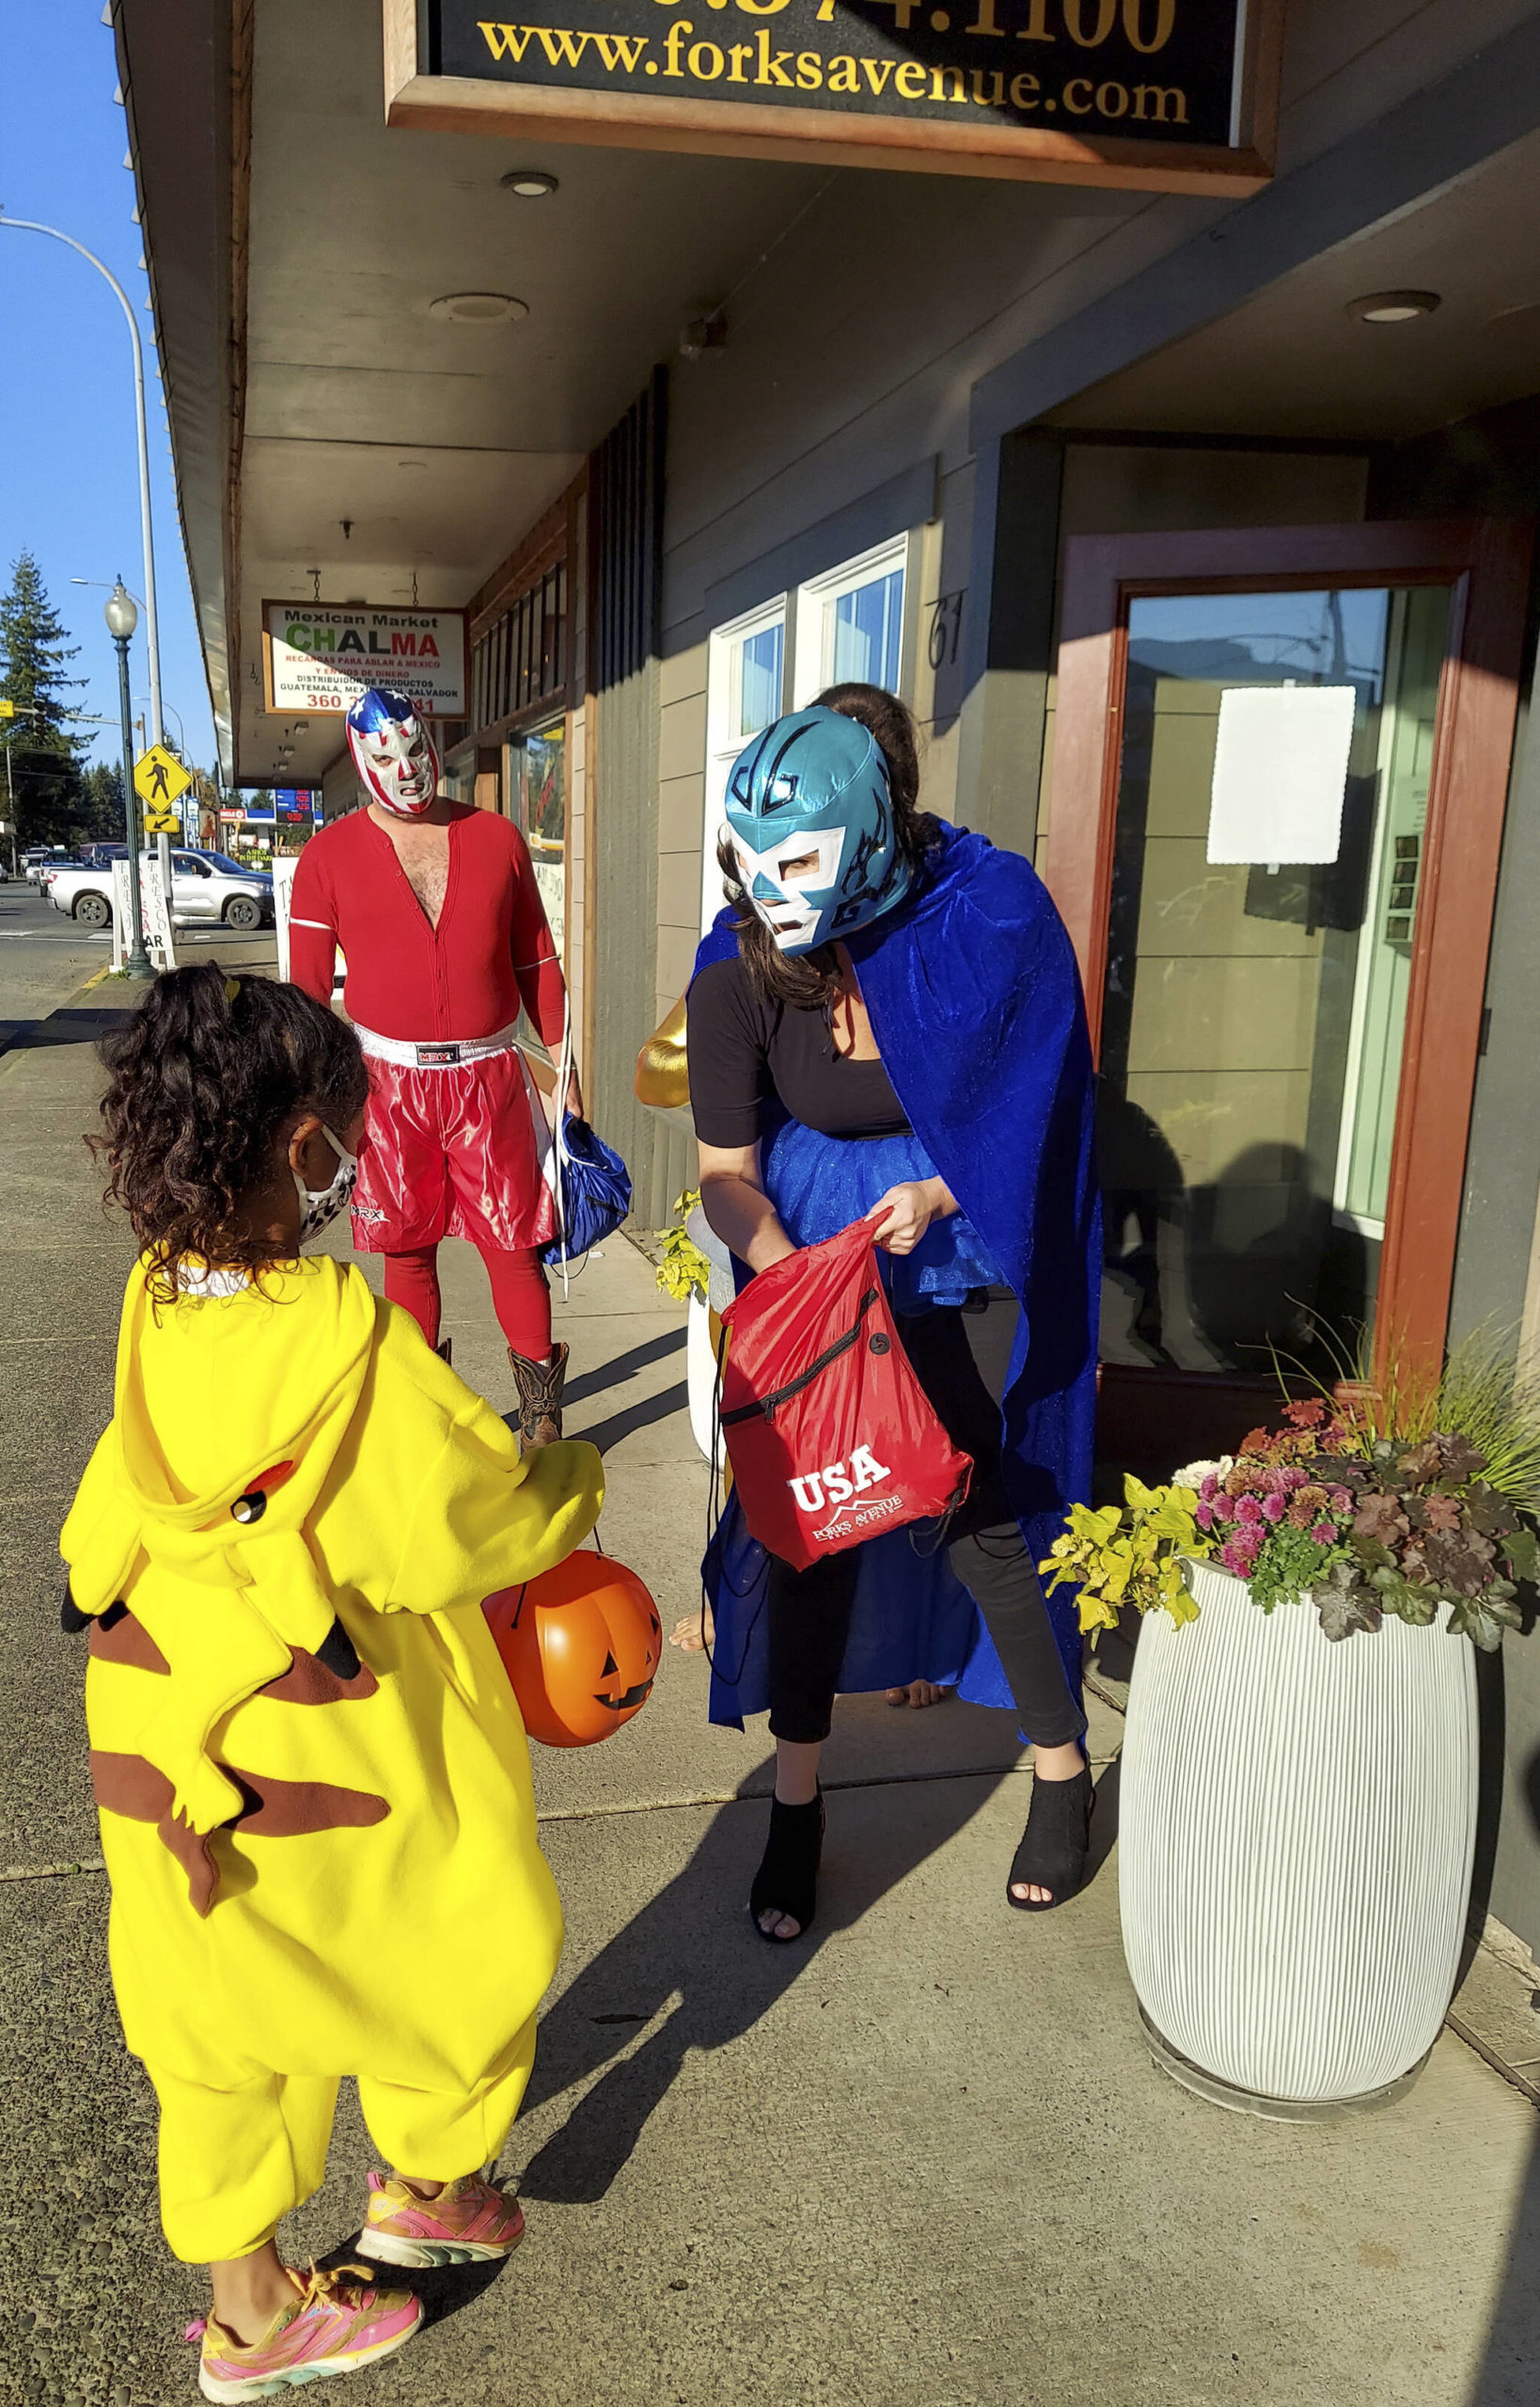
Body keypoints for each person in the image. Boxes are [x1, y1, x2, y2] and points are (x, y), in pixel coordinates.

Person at [62, 964, 604, 2399]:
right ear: (304, 1145)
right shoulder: (343, 1351)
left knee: (212, 2003)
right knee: (459, 1927)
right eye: (337, 1134)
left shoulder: (155, 1303)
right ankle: (430, 2183)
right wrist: (569, 1481)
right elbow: (465, 1523)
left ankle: (249, 2313)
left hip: (164, 1722)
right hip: (320, 1736)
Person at [687, 688, 1100, 1939]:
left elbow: (1039, 1115)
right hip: (818, 1258)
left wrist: (932, 1189)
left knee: (981, 1521)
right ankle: (797, 1809)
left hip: (960, 1241)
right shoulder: (741, 957)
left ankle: (1061, 1776)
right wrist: (784, 1266)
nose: (784, 907)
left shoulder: (982, 917)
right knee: (813, 1536)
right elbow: (723, 1170)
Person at [290, 686, 578, 1447]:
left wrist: (565, 1069)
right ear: (360, 762)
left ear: (433, 743)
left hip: (490, 1076)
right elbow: (307, 1001)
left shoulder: (498, 838)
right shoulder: (326, 858)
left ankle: (542, 1418)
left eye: (416, 749)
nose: (408, 768)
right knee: (407, 1253)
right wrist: (310, 1108)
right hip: (386, 1083)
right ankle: (423, 1424)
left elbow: (537, 962)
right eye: (387, 756)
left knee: (514, 1245)